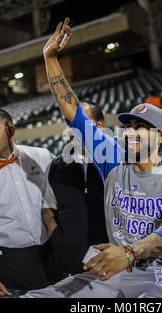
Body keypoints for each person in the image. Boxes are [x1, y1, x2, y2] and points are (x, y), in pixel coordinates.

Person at [22, 17, 162, 298]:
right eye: (129, 127)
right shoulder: (112, 159)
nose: (132, 133)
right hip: (114, 266)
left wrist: (129, 252)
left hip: (160, 270)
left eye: (143, 128)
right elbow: (73, 111)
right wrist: (50, 58)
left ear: (161, 136)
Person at [0, 108, 57, 296]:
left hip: (52, 251)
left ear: (11, 131)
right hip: (11, 261)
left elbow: (55, 203)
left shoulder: (42, 156)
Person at [42, 100, 108, 277]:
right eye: (69, 122)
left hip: (112, 260)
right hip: (71, 263)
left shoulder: (117, 160)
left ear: (99, 125)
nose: (73, 127)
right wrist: (58, 237)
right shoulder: (56, 166)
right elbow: (48, 209)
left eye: (80, 121)